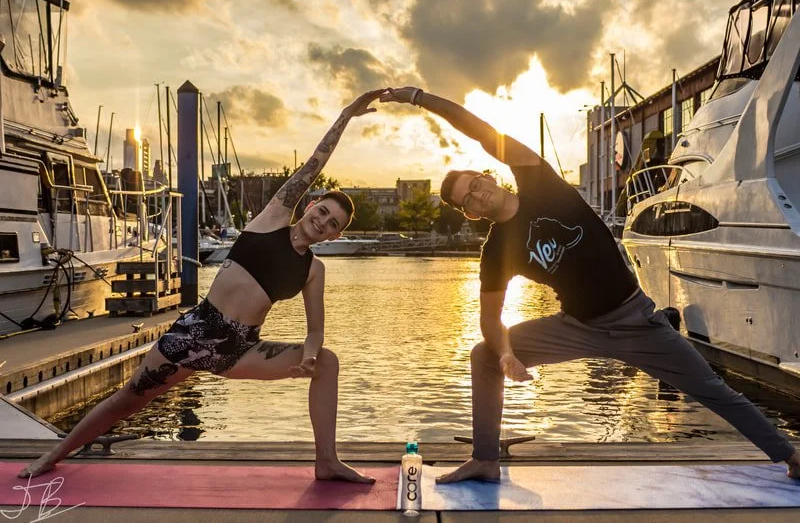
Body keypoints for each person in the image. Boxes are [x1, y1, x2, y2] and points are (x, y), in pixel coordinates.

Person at [379, 87, 800, 482]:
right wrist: (506, 353)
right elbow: (490, 319)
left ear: (489, 176)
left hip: (636, 319)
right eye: (467, 200)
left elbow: (480, 130)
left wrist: (419, 98)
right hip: (576, 327)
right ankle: (485, 459)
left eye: (475, 184)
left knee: (711, 389)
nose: (477, 195)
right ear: (468, 214)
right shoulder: (495, 251)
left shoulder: (539, 182)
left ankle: (791, 456)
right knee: (484, 355)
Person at [19, 90, 386, 481]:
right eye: (323, 212)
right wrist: (346, 115)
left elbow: (315, 330)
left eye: (333, 225)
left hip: (242, 348)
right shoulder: (273, 218)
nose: (324, 222)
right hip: (194, 332)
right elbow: (312, 165)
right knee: (127, 399)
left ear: (333, 236)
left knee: (328, 361)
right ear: (310, 205)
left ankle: (326, 461)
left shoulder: (313, 269)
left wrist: (309, 358)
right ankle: (54, 455)